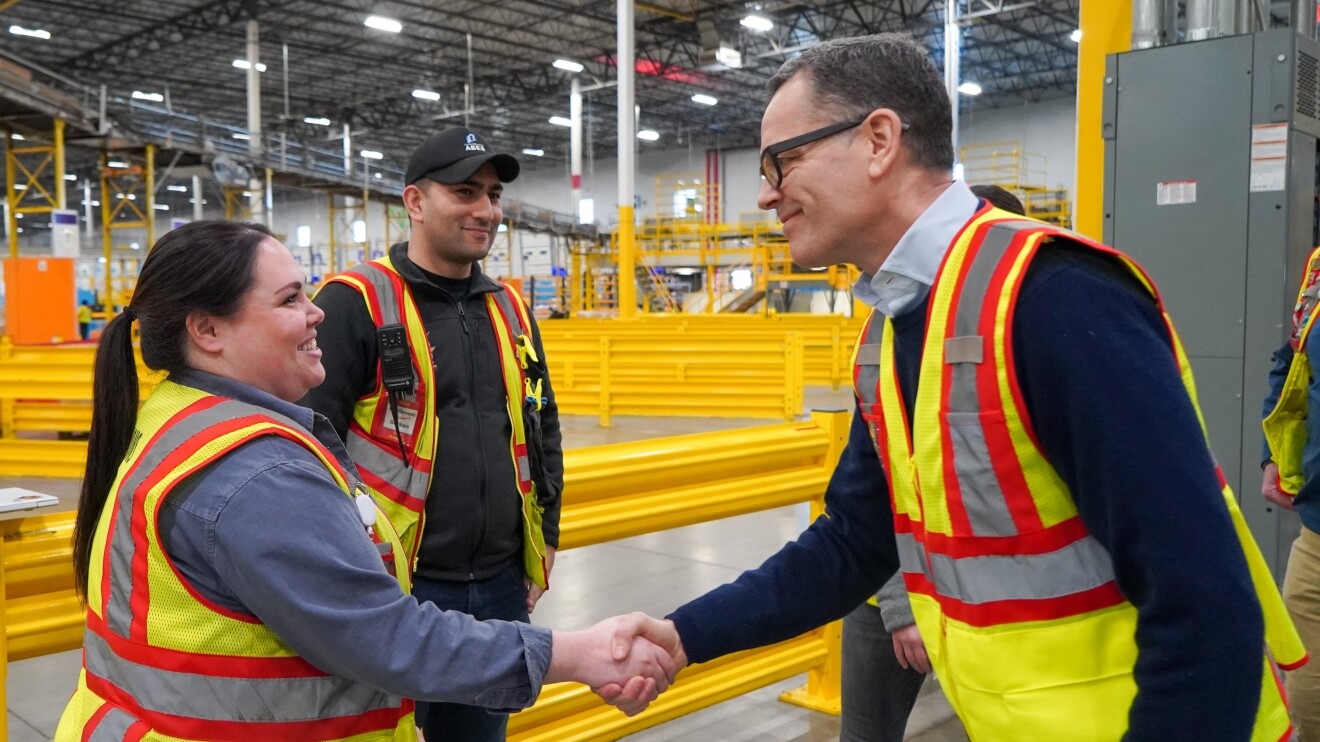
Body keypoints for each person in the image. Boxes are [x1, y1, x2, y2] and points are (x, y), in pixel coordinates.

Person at [605, 33, 1306, 740]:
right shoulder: (895, 331)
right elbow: (855, 541)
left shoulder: (1054, 298)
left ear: (879, 139)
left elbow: (1204, 603)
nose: (764, 193)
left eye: (782, 160)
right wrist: (684, 636)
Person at [56, 220, 672, 741]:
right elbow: (388, 639)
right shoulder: (257, 472)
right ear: (207, 331)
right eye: (290, 299)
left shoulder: (175, 415)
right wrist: (580, 653)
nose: (316, 311)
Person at [301, 127, 564, 742]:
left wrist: (545, 537)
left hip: (500, 589)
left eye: (494, 195)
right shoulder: (353, 304)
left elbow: (539, 423)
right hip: (395, 590)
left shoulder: (510, 309)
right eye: (466, 192)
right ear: (415, 202)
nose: (487, 211)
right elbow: (309, 445)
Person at [838, 183, 1023, 742]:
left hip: (991, 596)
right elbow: (888, 489)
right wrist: (902, 603)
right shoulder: (887, 334)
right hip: (894, 594)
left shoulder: (1027, 331)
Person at [1261, 243, 1320, 739]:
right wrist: (1273, 456)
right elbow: (1293, 358)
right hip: (1318, 524)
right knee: (1303, 659)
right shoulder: (1319, 267)